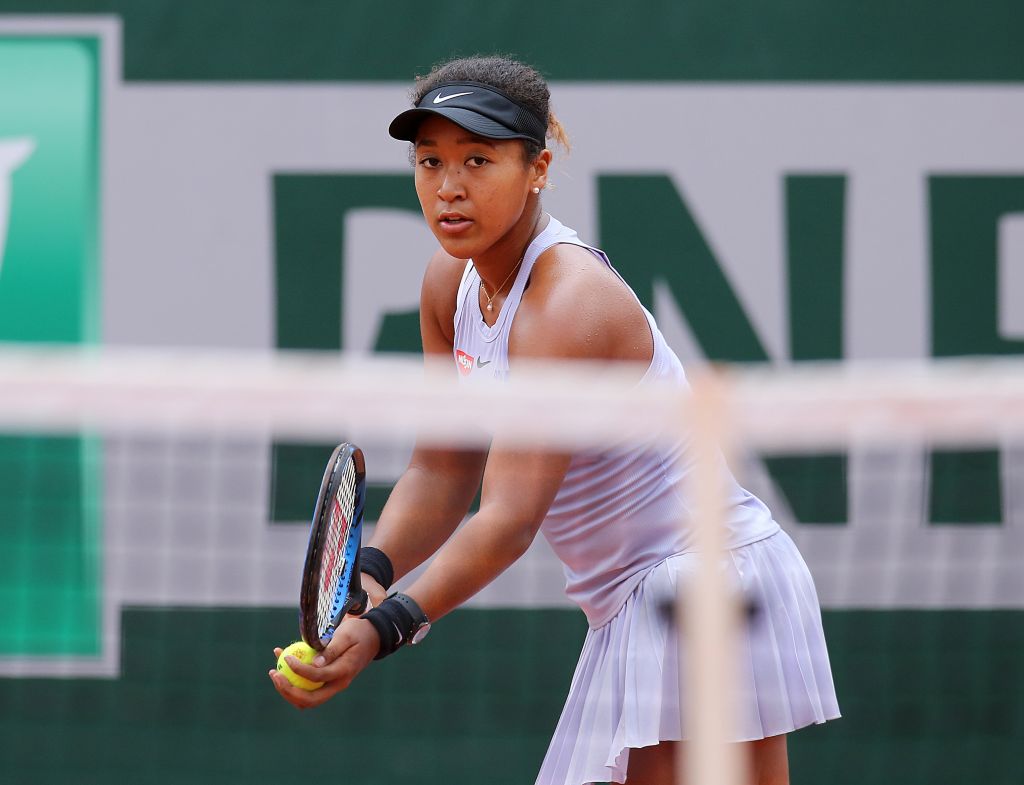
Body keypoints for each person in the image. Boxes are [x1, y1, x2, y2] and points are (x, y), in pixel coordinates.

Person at [269, 55, 840, 784]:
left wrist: (382, 629)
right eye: (429, 161)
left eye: (478, 159)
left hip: (700, 586)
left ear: (537, 168)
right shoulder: (450, 281)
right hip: (638, 599)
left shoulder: (569, 305)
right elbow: (443, 469)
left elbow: (507, 518)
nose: (448, 186)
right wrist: (371, 576)